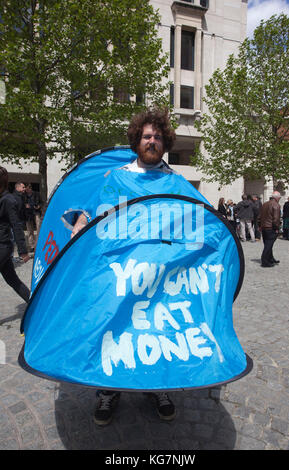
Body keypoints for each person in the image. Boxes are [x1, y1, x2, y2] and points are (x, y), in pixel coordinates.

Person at [72, 108, 178, 426]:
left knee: (156, 327)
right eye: (147, 136)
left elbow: (194, 219)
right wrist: (82, 220)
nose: (152, 140)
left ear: (165, 142)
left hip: (159, 273)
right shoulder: (118, 178)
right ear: (136, 140)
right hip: (120, 271)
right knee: (114, 327)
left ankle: (158, 386)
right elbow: (94, 212)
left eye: (158, 136)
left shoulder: (174, 181)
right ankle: (109, 391)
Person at [0, 167, 30, 303]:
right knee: (13, 281)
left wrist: (23, 251)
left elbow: (16, 226)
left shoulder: (8, 200)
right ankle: (34, 304)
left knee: (13, 280)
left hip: (3, 246)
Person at [257, 191, 281, 267]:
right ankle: (264, 261)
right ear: (277, 198)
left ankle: (270, 258)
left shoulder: (264, 204)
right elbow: (276, 219)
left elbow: (259, 217)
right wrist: (277, 228)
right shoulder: (276, 205)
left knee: (267, 244)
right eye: (279, 198)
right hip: (271, 227)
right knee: (268, 245)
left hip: (264, 227)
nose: (279, 199)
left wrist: (260, 226)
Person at [24, 184, 36, 252]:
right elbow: (23, 204)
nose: (27, 190)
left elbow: (40, 202)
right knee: (29, 230)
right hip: (28, 214)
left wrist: (38, 206)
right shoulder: (24, 196)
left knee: (39, 229)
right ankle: (32, 245)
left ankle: (37, 244)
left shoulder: (36, 194)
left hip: (36, 212)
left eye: (28, 189)